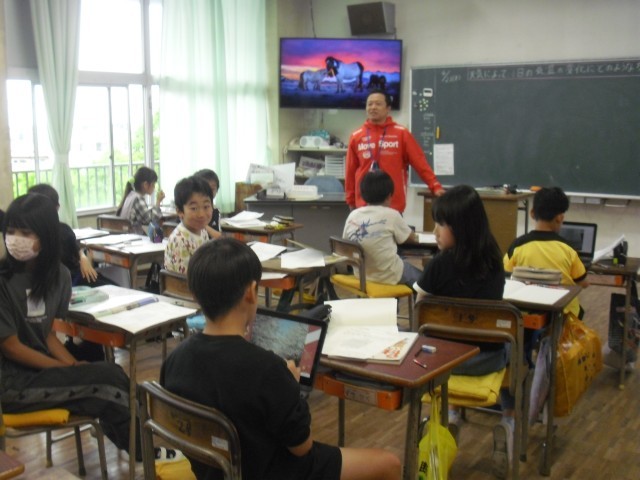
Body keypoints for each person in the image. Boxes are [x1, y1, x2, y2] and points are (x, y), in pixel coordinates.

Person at [161, 238, 401, 480]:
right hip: (270, 471)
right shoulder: (267, 370)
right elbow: (302, 448)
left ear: (195, 293)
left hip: (214, 470)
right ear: (251, 292)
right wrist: (292, 388)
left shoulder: (174, 361)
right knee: (389, 463)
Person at [0, 193, 133, 457]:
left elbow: (47, 335)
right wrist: (64, 367)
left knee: (113, 373)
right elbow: (11, 347)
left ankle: (143, 452)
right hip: (10, 384)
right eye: (11, 231)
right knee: (108, 386)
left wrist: (73, 365)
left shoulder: (59, 277)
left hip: (39, 375)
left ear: (46, 236)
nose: (15, 239)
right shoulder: (3, 280)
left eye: (25, 232)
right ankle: (144, 454)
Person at [412, 185, 513, 479]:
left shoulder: (438, 265)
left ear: (461, 227)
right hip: (486, 361)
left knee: (448, 338)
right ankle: (508, 421)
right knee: (518, 345)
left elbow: (420, 312)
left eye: (441, 224)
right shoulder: (495, 262)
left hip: (440, 362)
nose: (435, 231)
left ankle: (451, 416)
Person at [345, 90, 444, 214]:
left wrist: (435, 186)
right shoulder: (356, 136)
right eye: (369, 104)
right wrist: (350, 199)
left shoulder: (401, 134)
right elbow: (350, 171)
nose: (373, 107)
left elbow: (420, 163)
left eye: (378, 104)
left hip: (393, 205)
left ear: (388, 109)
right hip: (364, 206)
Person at [504, 186, 588, 319]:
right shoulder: (568, 249)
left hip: (525, 314)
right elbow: (583, 283)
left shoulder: (516, 246)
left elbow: (507, 276)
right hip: (562, 316)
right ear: (560, 218)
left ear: (532, 213)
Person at [343, 170, 422, 288]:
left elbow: (345, 243)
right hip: (389, 275)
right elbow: (411, 238)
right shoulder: (392, 215)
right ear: (389, 196)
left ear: (362, 194)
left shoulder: (353, 215)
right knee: (426, 281)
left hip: (361, 276)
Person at [164, 176, 215, 275]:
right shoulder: (179, 239)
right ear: (180, 211)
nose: (201, 214)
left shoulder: (202, 230)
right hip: (184, 284)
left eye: (206, 206)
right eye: (194, 208)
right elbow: (183, 278)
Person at [116, 166, 165, 235]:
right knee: (160, 234)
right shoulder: (138, 199)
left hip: (126, 234)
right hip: (133, 236)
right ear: (145, 185)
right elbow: (149, 220)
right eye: (153, 184)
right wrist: (158, 201)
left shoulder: (131, 195)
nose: (154, 187)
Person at [194, 168, 222, 237]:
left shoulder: (216, 211)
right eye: (205, 189)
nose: (209, 192)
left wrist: (204, 226)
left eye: (212, 189)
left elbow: (218, 236)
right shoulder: (192, 210)